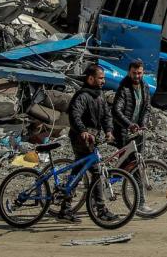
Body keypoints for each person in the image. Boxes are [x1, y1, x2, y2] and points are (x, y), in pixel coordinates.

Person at [58, 64, 112, 223]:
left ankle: (65, 208)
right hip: (81, 138)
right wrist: (83, 131)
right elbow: (75, 115)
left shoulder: (99, 95)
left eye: (103, 78)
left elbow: (107, 115)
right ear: (90, 79)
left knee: (79, 170)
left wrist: (108, 130)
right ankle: (100, 210)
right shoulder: (82, 96)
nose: (103, 81)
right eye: (100, 78)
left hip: (92, 138)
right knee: (95, 172)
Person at [111, 60, 150, 169]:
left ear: (143, 73)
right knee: (125, 163)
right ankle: (114, 181)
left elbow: (147, 108)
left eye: (139, 73)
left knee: (137, 161)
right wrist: (129, 125)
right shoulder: (124, 88)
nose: (137, 76)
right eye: (134, 73)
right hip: (124, 131)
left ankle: (136, 185)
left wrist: (143, 124)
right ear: (129, 72)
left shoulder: (145, 86)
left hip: (138, 130)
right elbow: (115, 110)